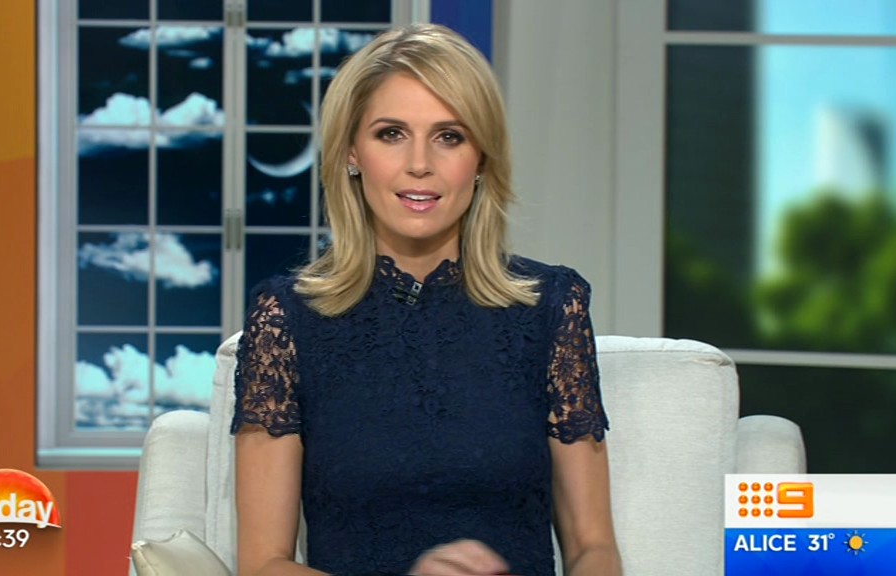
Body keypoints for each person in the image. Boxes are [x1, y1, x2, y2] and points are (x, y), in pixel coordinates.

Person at [231, 23, 621, 576]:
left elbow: (593, 547)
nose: (420, 163)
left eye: (449, 136)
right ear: (351, 152)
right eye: (391, 133)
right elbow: (263, 564)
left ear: (481, 158)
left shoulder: (552, 307)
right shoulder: (287, 319)